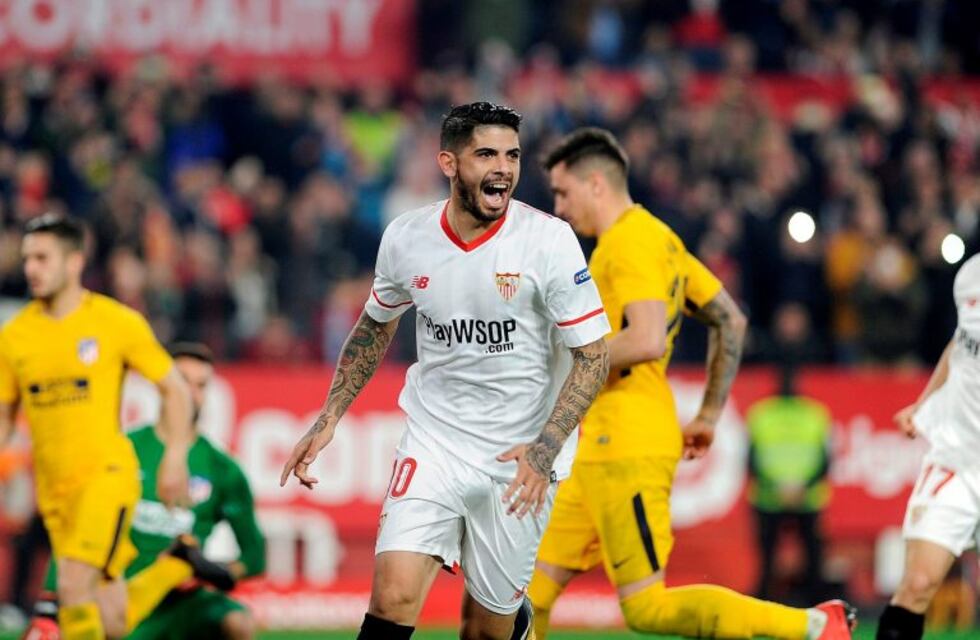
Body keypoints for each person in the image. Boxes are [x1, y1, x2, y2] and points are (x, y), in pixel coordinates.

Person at [280, 102, 611, 640]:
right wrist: (330, 415)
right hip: (434, 442)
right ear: (449, 162)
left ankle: (511, 619)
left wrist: (546, 447)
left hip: (519, 459)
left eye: (512, 155)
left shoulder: (548, 241)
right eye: (486, 154)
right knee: (392, 597)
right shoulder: (407, 238)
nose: (503, 168)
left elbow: (593, 354)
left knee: (483, 631)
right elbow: (373, 327)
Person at [528, 128, 856, 640]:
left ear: (596, 184)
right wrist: (707, 414)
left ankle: (814, 626)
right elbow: (731, 319)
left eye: (563, 192)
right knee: (527, 592)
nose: (560, 207)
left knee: (647, 609)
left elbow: (647, 339)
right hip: (599, 448)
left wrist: (563, 359)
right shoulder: (661, 238)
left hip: (627, 446)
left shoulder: (626, 243)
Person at [0, 214, 202, 640]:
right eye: (27, 259)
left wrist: (175, 457)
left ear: (74, 262)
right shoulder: (15, 336)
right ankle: (172, 569)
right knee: (109, 616)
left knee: (71, 587)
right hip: (54, 492)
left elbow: (176, 390)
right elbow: (4, 411)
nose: (31, 268)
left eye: (42, 258)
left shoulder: (115, 323)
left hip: (106, 478)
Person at [25, 342, 266, 640]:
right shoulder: (122, 452)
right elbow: (76, 536)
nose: (191, 394)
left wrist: (208, 570)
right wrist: (50, 603)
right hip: (123, 596)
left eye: (201, 385)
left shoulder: (224, 469)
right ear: (163, 386)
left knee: (237, 623)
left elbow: (255, 557)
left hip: (185, 602)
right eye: (182, 382)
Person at [876, 252, 980, 640]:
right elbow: (960, 343)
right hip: (955, 458)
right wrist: (923, 404)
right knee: (917, 584)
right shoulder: (971, 275)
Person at [747, 341, 831, 602]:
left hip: (781, 497)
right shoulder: (814, 414)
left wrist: (783, 487)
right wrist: (799, 487)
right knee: (781, 558)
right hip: (792, 497)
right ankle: (811, 604)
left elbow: (751, 461)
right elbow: (825, 461)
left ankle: (793, 601)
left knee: (805, 557)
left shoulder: (762, 413)